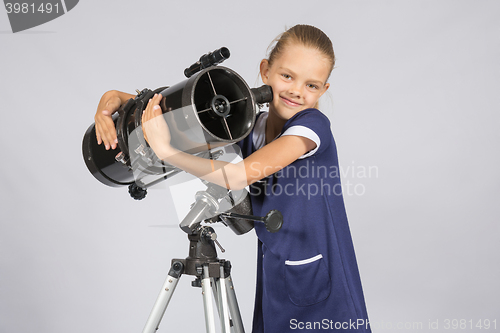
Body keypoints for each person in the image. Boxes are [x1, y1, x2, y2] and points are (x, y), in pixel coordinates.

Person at [95, 24, 371, 332]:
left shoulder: (312, 127)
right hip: (278, 272)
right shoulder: (250, 128)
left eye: (312, 85)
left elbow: (239, 175)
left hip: (323, 286)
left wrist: (166, 151)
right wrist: (108, 103)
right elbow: (163, 110)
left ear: (324, 90)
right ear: (266, 71)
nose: (296, 91)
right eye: (287, 76)